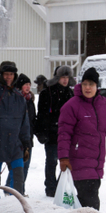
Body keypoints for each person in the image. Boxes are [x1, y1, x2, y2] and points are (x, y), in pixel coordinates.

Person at [56, 67, 106, 210]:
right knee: (91, 206)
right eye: (85, 84)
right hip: (79, 162)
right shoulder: (72, 106)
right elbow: (64, 134)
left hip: (96, 165)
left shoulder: (103, 104)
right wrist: (63, 158)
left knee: (85, 205)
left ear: (96, 86)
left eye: (91, 84)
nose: (87, 87)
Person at [0, 60, 30, 203]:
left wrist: (26, 143)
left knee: (18, 179)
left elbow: (24, 123)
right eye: (6, 74)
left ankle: (15, 209)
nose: (9, 77)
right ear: (1, 75)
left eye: (11, 74)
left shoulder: (20, 98)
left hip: (15, 146)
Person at [37, 65, 74, 197]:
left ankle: (60, 185)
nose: (65, 80)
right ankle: (50, 187)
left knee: (66, 160)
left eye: (67, 77)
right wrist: (42, 132)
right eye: (62, 77)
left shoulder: (70, 93)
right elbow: (41, 114)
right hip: (51, 133)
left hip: (67, 134)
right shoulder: (47, 93)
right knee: (51, 161)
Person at [16, 73, 37, 184]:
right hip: (18, 139)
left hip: (29, 138)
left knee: (26, 165)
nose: (28, 87)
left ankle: (20, 189)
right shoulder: (16, 100)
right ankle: (15, 189)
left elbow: (33, 120)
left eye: (29, 84)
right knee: (18, 166)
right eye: (25, 84)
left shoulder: (30, 100)